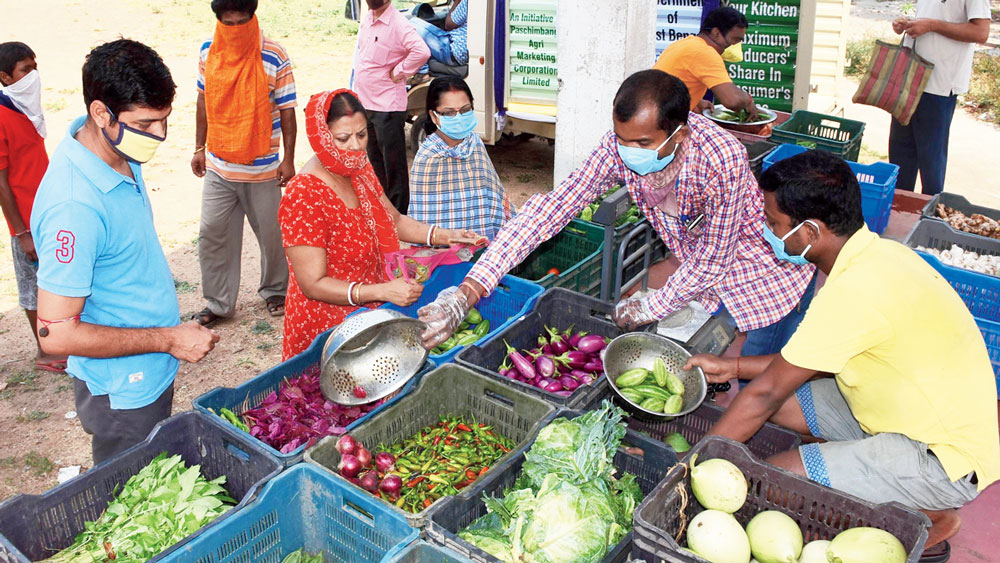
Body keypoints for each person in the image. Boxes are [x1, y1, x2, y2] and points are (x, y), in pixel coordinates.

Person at [688, 150, 1000, 557]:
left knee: (777, 481)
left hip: (943, 459)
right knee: (783, 406)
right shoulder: (881, 255)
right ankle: (858, 475)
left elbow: (764, 392)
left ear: (810, 232)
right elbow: (804, 362)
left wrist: (692, 465)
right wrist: (730, 365)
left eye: (773, 223)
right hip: (907, 414)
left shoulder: (854, 292)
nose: (767, 230)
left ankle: (923, 511)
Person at [419, 70, 815, 356]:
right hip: (697, 259)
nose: (627, 149)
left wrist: (652, 305)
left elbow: (714, 261)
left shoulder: (720, 159)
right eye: (622, 138)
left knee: (728, 367)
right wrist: (468, 290)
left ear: (680, 133)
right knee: (666, 329)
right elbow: (553, 208)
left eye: (642, 141)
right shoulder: (620, 146)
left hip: (756, 270)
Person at [31, 40, 219, 464]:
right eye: (148, 124)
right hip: (123, 390)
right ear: (101, 113)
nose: (161, 136)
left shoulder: (117, 149)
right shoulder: (73, 207)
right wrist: (169, 338)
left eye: (165, 121)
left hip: (148, 367)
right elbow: (56, 333)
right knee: (133, 498)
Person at [279, 89, 483, 359]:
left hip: (370, 314)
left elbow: (394, 220)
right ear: (321, 137)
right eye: (343, 138)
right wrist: (380, 290)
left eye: (362, 134)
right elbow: (313, 284)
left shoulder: (359, 168)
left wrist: (447, 237)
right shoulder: (304, 195)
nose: (355, 146)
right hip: (326, 328)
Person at [190, 0, 297, 327]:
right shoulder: (209, 52)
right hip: (220, 166)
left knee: (272, 235)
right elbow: (202, 100)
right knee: (212, 233)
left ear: (253, 17)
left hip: (263, 169)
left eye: (241, 22)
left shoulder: (274, 55)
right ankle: (219, 303)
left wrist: (288, 160)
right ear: (219, 21)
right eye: (228, 23)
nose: (235, 29)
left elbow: (289, 110)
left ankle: (276, 290)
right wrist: (198, 147)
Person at [0, 41, 66, 374]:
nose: (34, 75)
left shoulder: (24, 105)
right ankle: (45, 352)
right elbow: (1, 181)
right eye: (25, 70)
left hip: (46, 207)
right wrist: (21, 232)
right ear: (5, 76)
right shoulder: (1, 115)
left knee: (53, 278)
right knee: (32, 287)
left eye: (34, 66)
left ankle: (60, 342)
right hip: (26, 219)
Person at [888, 0, 990, 196]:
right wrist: (909, 24)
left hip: (939, 85)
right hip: (910, 78)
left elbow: (981, 33)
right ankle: (898, 214)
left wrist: (932, 25)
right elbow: (933, 17)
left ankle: (930, 220)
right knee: (900, 158)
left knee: (930, 162)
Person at [408, 76, 512, 240]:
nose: (458, 117)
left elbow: (493, 194)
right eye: (449, 113)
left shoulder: (474, 142)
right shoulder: (428, 157)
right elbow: (424, 220)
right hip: (447, 252)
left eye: (464, 110)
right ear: (434, 116)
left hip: (485, 242)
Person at [354, 0, 430, 214]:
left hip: (387, 104)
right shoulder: (368, 17)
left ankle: (399, 213)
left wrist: (400, 71)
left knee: (393, 163)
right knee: (375, 158)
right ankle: (383, 208)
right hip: (366, 101)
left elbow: (421, 51)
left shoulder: (398, 23)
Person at [653, 7, 758, 118]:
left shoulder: (686, 43)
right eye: (735, 40)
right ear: (716, 33)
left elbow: (674, 82)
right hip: (660, 122)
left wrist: (696, 101)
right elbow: (732, 100)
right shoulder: (705, 53)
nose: (735, 46)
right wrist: (748, 100)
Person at [408, 0, 469, 83]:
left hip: (453, 51)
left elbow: (449, 24)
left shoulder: (467, 2)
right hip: (463, 52)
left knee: (411, 24)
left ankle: (422, 73)